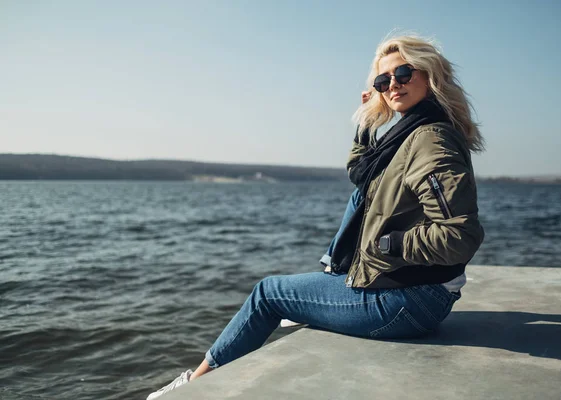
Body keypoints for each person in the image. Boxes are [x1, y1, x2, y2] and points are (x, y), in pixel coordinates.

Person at [146, 34, 485, 399]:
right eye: (383, 81)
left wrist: (389, 243)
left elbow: (459, 236)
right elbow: (361, 174)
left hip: (408, 301)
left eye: (403, 72)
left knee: (268, 294)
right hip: (414, 293)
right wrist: (367, 123)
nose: (392, 85)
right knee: (362, 195)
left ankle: (194, 385)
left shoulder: (429, 138)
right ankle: (332, 280)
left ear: (430, 73)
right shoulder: (410, 132)